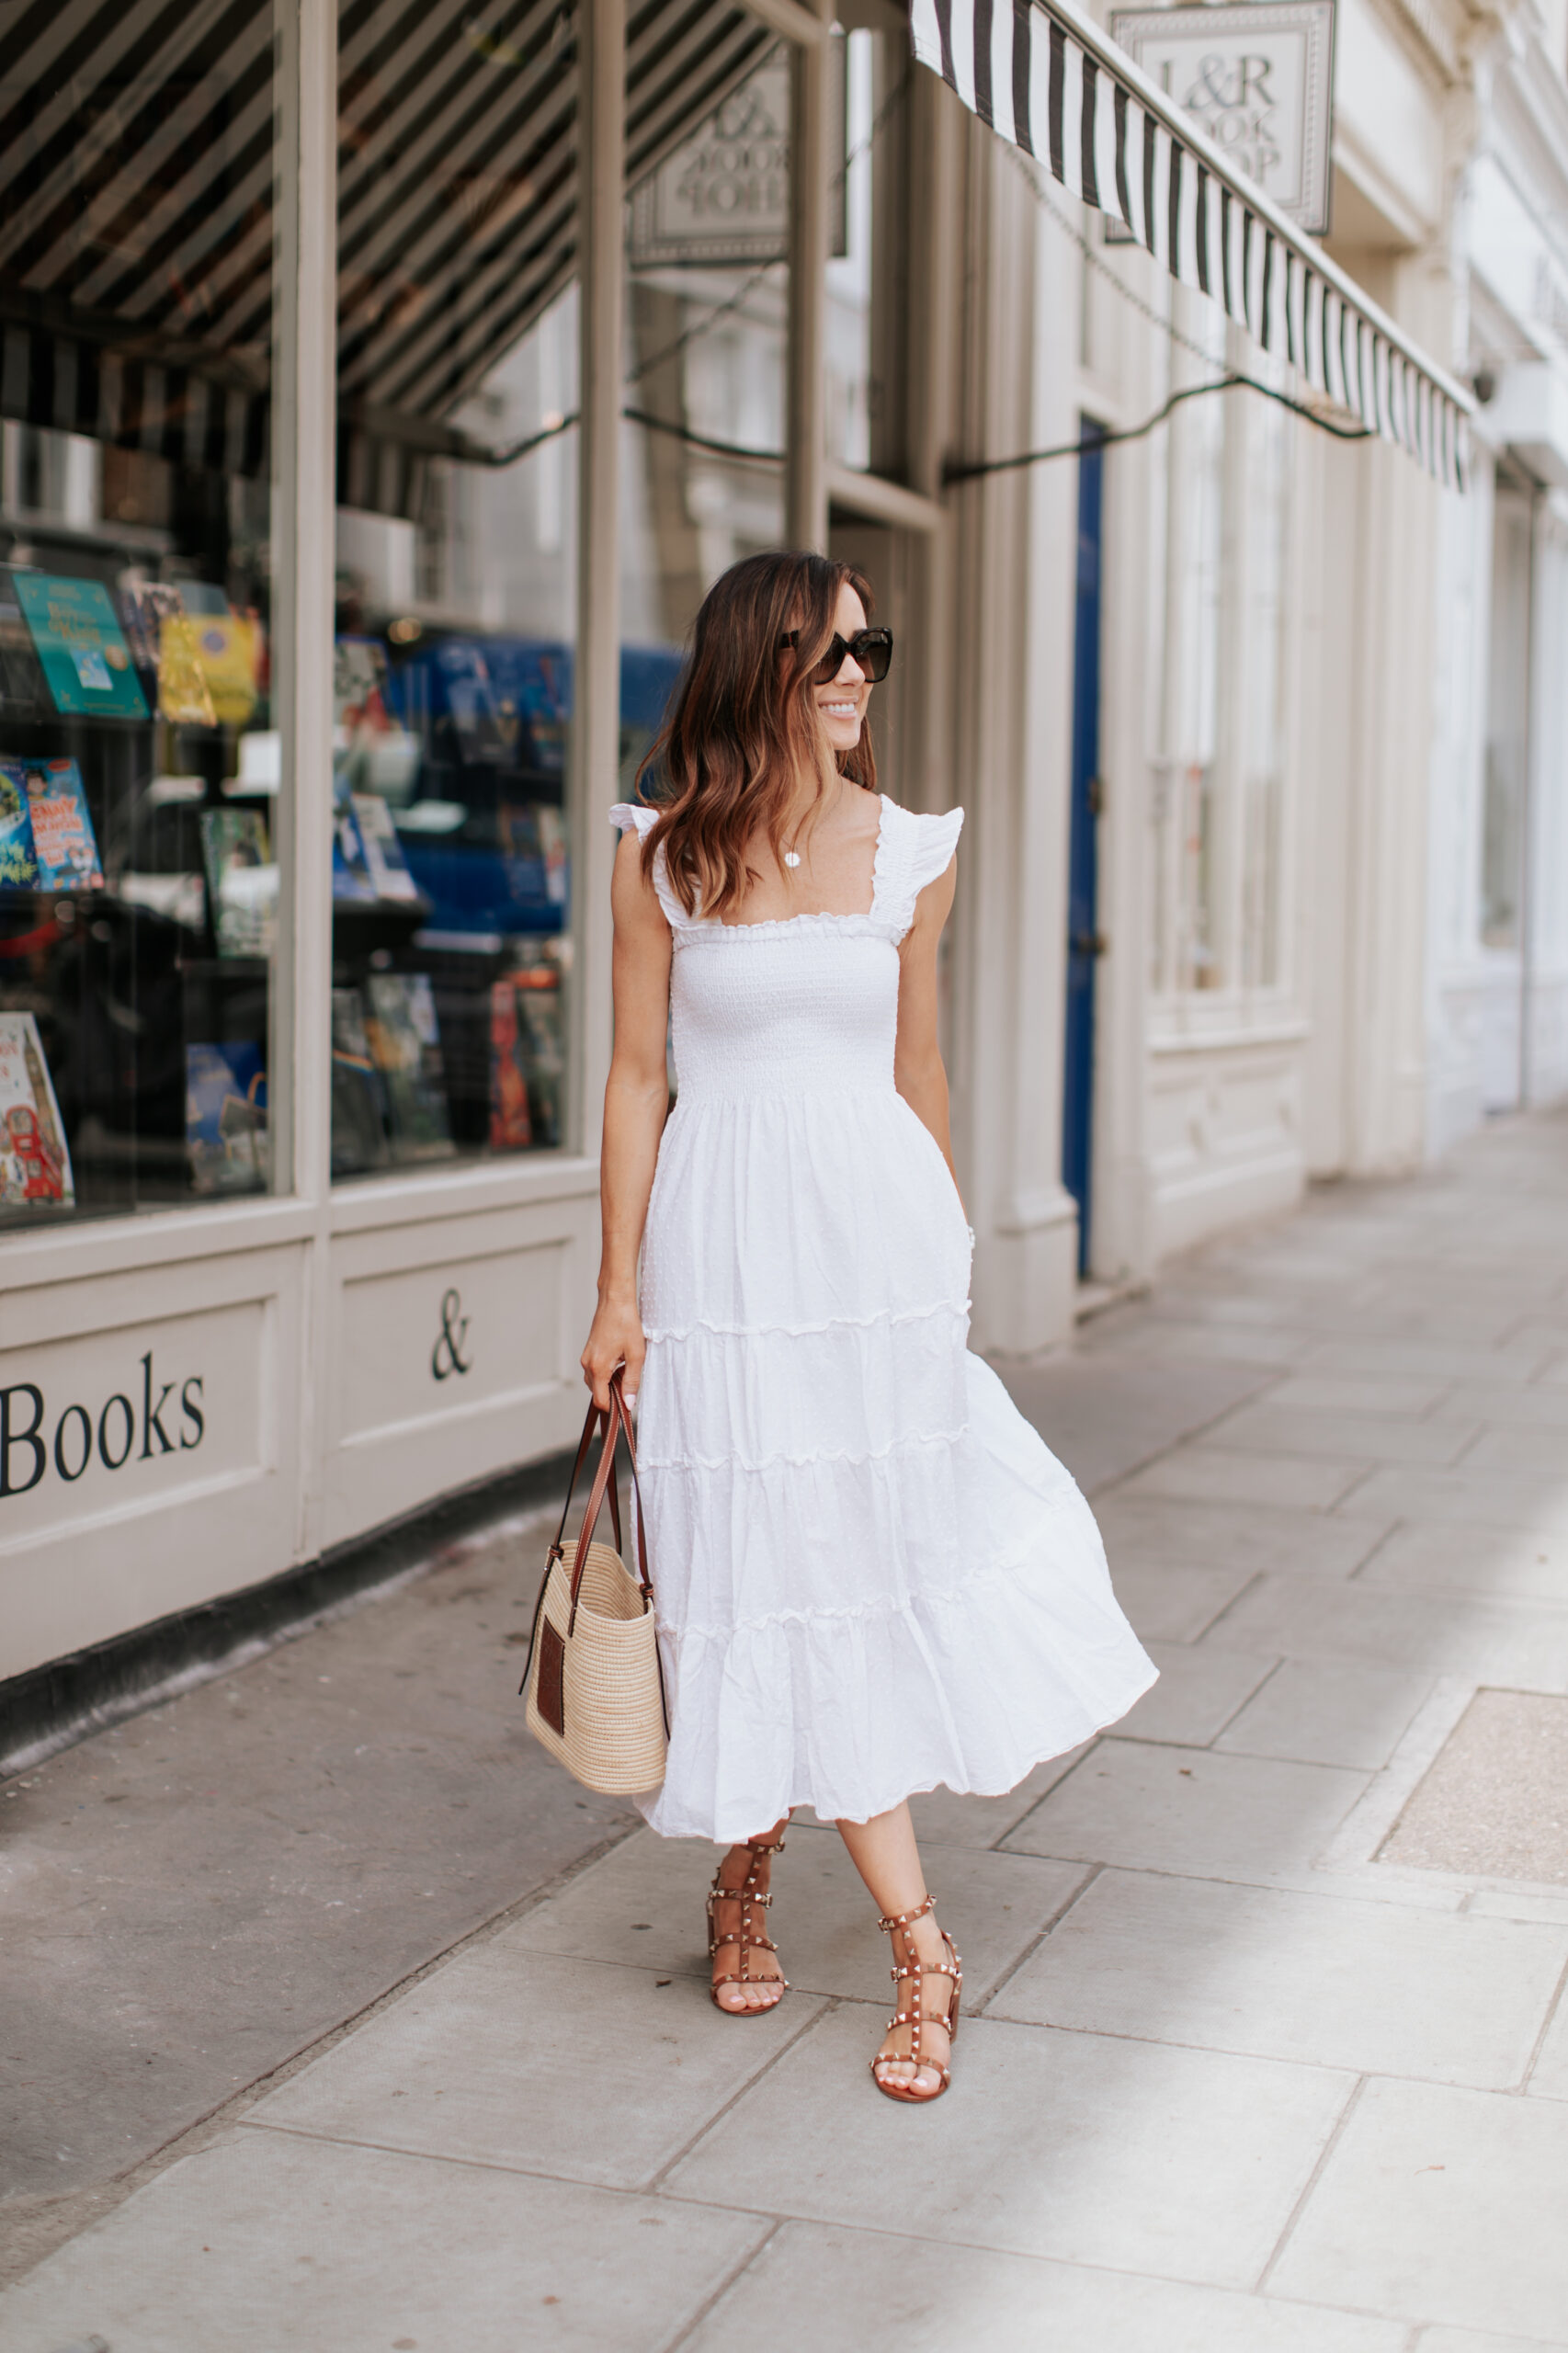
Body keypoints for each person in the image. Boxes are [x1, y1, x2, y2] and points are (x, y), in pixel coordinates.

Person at [582, 550, 1155, 2103]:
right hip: (719, 1258)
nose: (855, 676)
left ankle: (917, 1947)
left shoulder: (910, 853)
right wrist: (617, 1289)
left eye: (868, 649)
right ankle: (754, 1873)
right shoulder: (660, 860)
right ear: (752, 666)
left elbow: (919, 1073)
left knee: (849, 1554)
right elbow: (639, 1082)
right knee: (744, 1558)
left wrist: (949, 1254)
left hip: (870, 1253)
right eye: (827, 650)